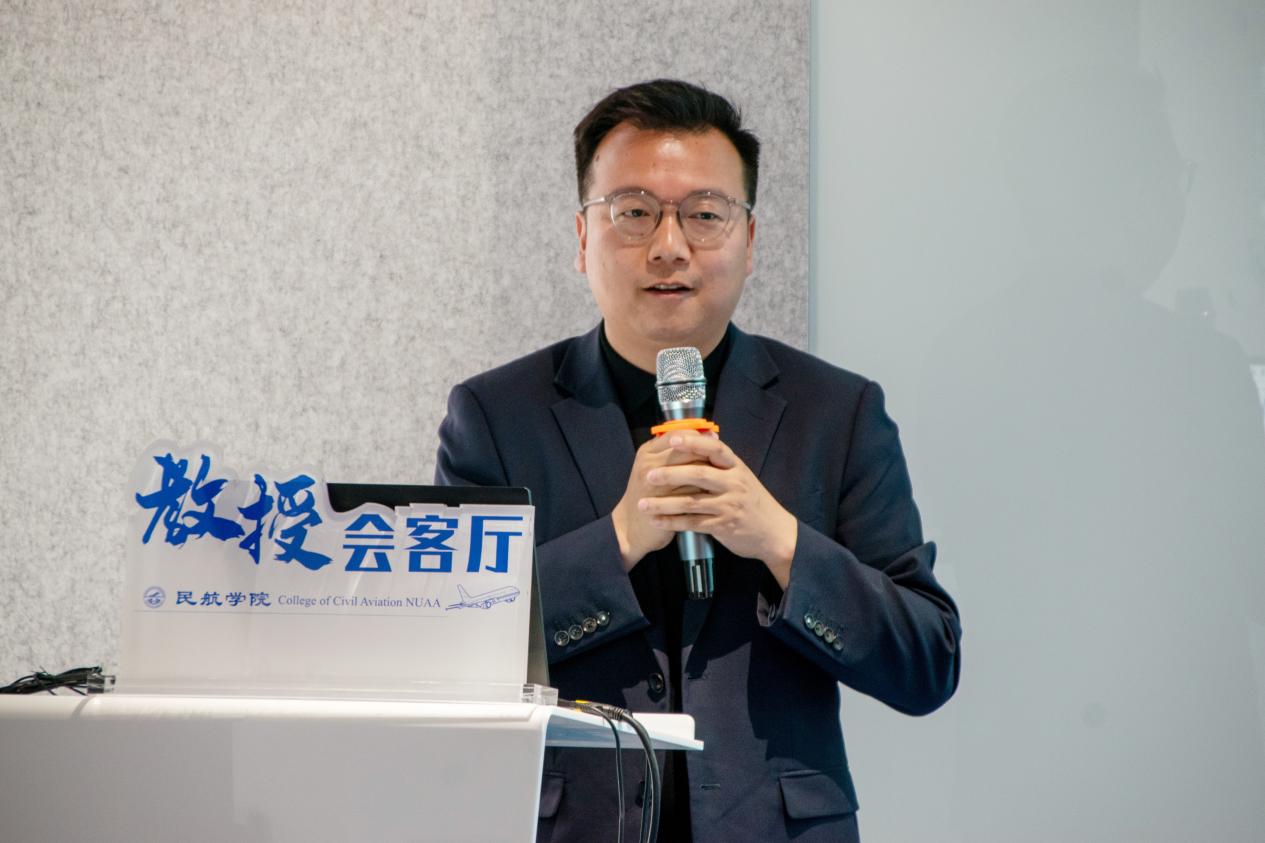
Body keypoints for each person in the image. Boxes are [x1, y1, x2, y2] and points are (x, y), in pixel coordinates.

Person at [435, 79, 961, 843]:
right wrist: (617, 539)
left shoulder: (837, 411)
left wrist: (778, 539)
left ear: (750, 241)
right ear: (581, 237)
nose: (669, 245)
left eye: (704, 214)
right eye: (633, 212)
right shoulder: (495, 415)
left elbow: (926, 665)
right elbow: (453, 652)